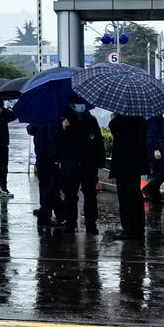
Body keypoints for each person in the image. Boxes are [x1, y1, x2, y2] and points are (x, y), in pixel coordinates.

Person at [57, 99, 104, 235]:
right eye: (77, 104)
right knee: (70, 196)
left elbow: (98, 143)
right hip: (70, 165)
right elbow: (57, 141)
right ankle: (70, 223)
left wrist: (99, 163)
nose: (80, 107)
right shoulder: (64, 119)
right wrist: (64, 129)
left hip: (88, 165)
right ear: (71, 105)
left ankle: (91, 224)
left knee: (90, 196)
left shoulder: (91, 120)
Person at [109, 114, 148, 241]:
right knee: (136, 196)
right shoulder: (140, 118)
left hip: (124, 164)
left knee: (126, 198)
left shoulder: (120, 120)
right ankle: (138, 229)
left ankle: (129, 230)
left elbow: (117, 133)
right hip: (136, 164)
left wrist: (113, 120)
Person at [29, 122, 61, 232]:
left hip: (43, 158)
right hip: (49, 159)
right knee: (50, 188)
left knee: (46, 187)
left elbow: (30, 129)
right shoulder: (51, 121)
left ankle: (49, 213)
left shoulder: (40, 118)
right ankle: (46, 216)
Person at [141, 115, 164, 208]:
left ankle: (156, 197)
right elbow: (151, 135)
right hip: (156, 150)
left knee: (156, 172)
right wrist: (156, 149)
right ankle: (148, 189)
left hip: (154, 149)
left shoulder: (154, 118)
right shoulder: (154, 119)